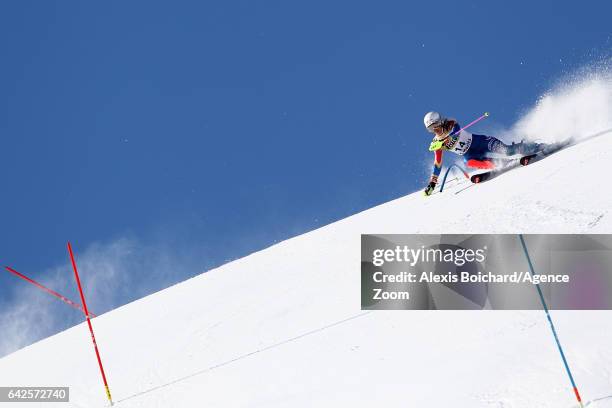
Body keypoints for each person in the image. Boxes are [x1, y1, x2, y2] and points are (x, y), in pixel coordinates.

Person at [422, 111, 541, 196]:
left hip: (481, 142)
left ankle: (535, 146)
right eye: (431, 128)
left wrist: (448, 139)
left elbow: (457, 129)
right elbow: (438, 163)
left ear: (440, 121)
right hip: (470, 154)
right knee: (469, 162)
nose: (434, 129)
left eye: (435, 125)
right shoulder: (436, 143)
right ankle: (504, 163)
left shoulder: (450, 124)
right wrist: (432, 182)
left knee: (508, 151)